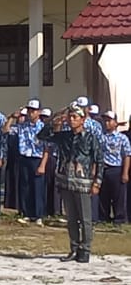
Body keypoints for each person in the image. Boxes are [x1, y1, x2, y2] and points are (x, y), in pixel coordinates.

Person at [38, 105, 103, 263]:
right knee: (72, 218)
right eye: (70, 117)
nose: (72, 120)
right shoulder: (64, 136)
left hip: (83, 182)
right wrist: (54, 120)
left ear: (83, 119)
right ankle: (74, 248)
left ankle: (85, 249)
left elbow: (99, 160)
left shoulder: (90, 137)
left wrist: (97, 182)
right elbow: (42, 136)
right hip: (66, 181)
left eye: (75, 117)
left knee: (85, 218)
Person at [6, 101, 46, 225]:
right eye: (29, 110)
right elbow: (6, 130)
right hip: (24, 158)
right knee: (25, 187)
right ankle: (27, 213)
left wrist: (43, 165)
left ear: (39, 112)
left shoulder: (43, 127)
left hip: (37, 159)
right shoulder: (23, 126)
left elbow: (47, 148)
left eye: (33, 111)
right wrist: (12, 118)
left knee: (37, 188)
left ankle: (38, 215)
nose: (30, 113)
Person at [96, 111, 130, 226]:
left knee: (118, 196)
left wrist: (125, 172)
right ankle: (103, 217)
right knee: (103, 195)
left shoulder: (122, 138)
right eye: (105, 120)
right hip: (103, 169)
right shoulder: (101, 137)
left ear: (115, 123)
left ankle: (119, 218)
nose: (106, 123)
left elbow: (126, 155)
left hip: (116, 169)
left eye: (109, 120)